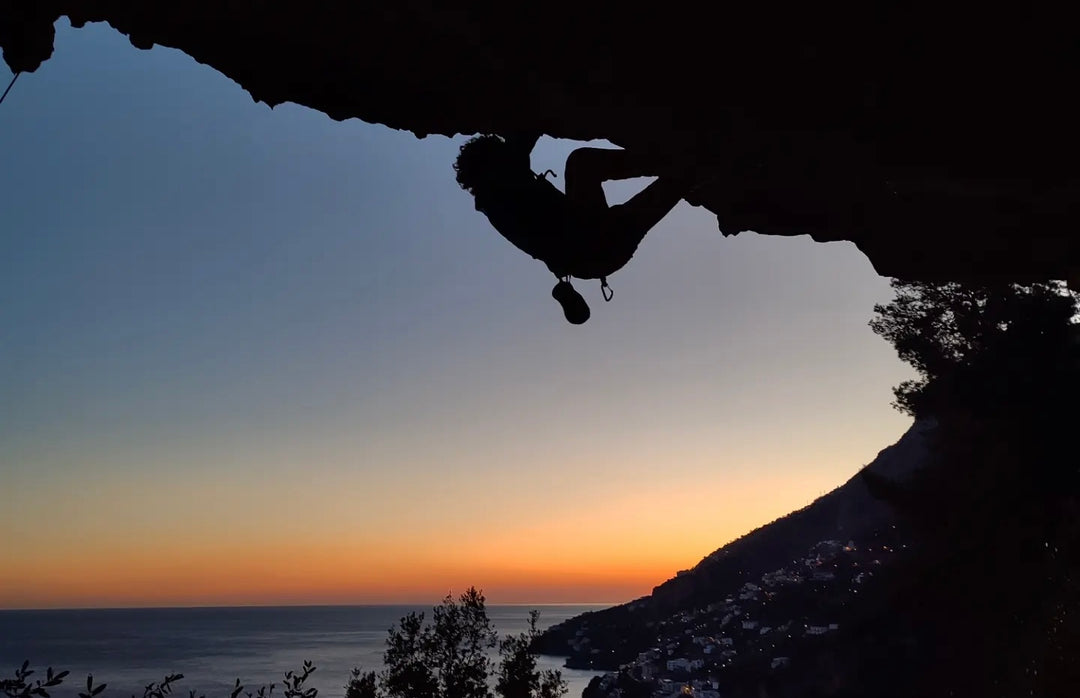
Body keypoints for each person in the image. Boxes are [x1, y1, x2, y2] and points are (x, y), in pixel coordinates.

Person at [453, 132, 696, 324]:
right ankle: (673, 161)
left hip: (592, 250)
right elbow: (525, 134)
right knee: (584, 163)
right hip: (599, 239)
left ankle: (680, 166)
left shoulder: (493, 201)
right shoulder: (504, 181)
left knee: (673, 183)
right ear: (492, 163)